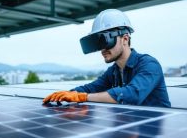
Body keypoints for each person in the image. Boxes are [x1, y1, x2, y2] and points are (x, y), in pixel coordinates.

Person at [43, 9, 171, 108]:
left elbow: (132, 94)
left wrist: (83, 97)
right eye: (100, 43)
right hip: (132, 130)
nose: (102, 49)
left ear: (125, 39)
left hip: (154, 132)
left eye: (106, 41)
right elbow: (90, 88)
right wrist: (66, 94)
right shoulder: (114, 71)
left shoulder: (149, 64)